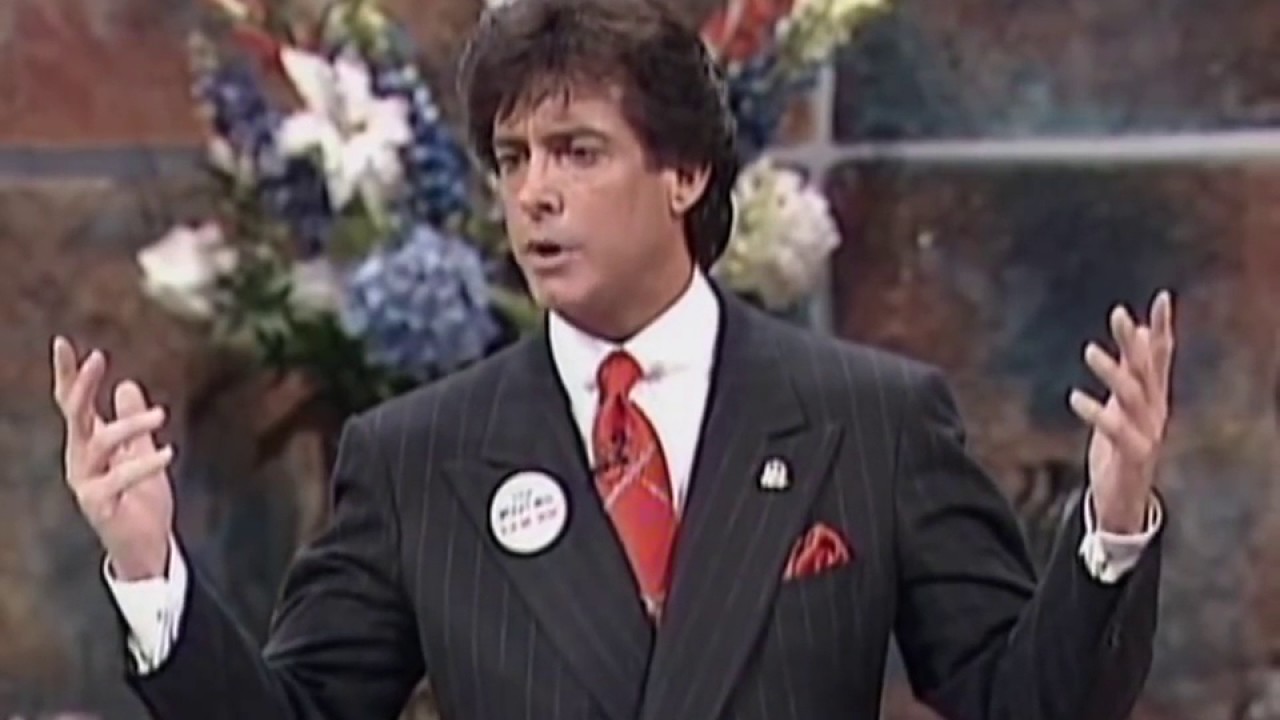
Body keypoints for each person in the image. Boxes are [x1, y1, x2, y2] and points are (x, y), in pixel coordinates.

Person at [52, 0, 1175, 717]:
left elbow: (1023, 702)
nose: (534, 193)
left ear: (683, 173)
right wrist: (152, 572)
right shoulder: (416, 458)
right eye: (512, 159)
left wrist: (1113, 521)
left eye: (577, 152)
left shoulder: (870, 420)